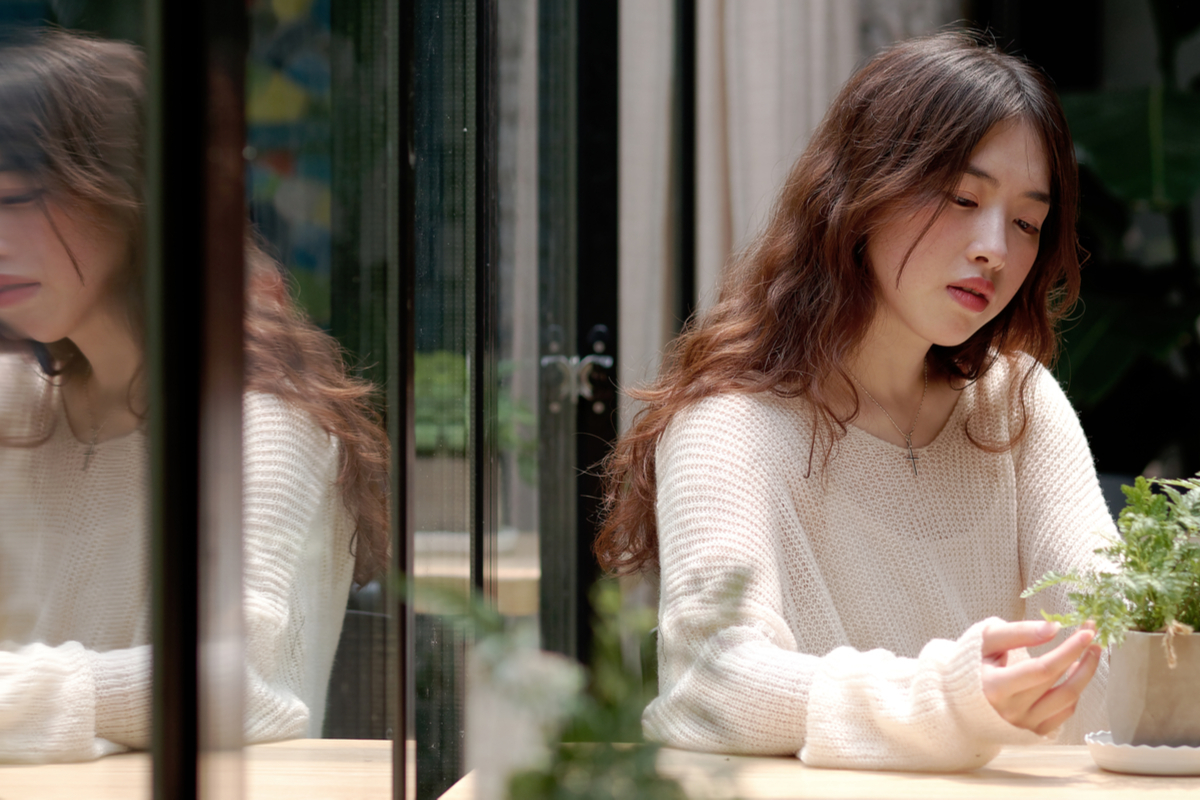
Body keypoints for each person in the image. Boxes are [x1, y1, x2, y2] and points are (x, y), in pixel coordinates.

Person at [596, 30, 1114, 772]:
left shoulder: (1016, 401)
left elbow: (1118, 628)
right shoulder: (728, 428)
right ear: (864, 190)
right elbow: (711, 680)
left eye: (1027, 222)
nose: (995, 247)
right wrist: (944, 699)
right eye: (964, 198)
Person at [0, 29, 389, 762]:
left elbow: (235, 679)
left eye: (19, 198)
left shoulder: (260, 422)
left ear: (131, 195)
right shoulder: (19, 398)